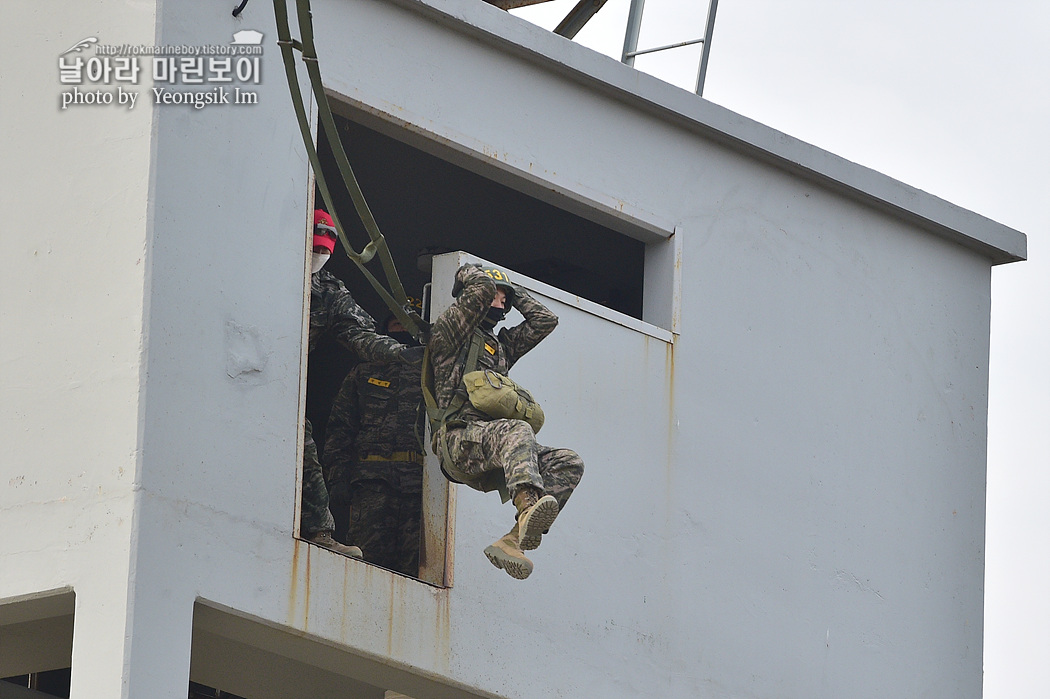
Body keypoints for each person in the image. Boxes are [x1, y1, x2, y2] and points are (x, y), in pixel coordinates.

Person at [426, 263, 584, 580]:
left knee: (569, 462)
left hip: (492, 445)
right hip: (457, 441)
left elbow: (545, 321)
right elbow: (479, 287)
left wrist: (511, 290)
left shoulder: (500, 348)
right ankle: (527, 505)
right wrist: (471, 275)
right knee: (517, 429)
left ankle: (513, 540)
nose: (498, 302)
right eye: (493, 296)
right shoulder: (450, 334)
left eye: (503, 299)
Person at [301, 209, 417, 557]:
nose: (317, 257)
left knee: (298, 438)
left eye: (324, 251)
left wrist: (400, 354)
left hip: (281, 391)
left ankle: (319, 530)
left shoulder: (329, 291)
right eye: (313, 249)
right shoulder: (264, 266)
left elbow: (359, 335)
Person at [324, 308, 426, 577]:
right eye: (396, 324)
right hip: (372, 486)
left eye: (409, 325)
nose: (403, 331)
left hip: (420, 490)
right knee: (366, 567)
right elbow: (340, 429)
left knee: (415, 572)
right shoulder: (363, 372)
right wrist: (337, 480)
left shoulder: (433, 375)